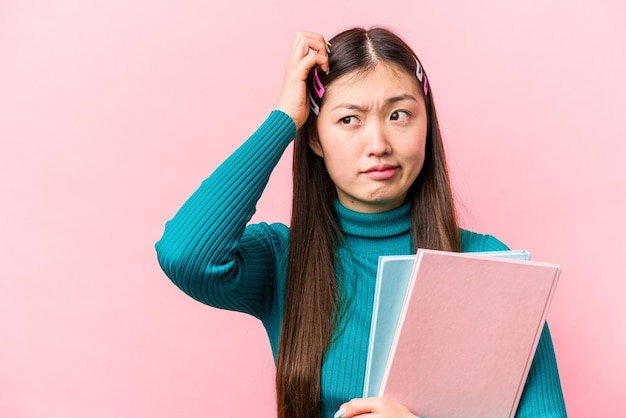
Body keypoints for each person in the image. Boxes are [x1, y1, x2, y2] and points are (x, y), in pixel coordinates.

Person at [155, 27, 567, 418]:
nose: (378, 145)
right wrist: (284, 117)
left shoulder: (491, 268)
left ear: (428, 125)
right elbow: (186, 255)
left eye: (399, 115)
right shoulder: (283, 259)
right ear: (314, 137)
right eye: (349, 119)